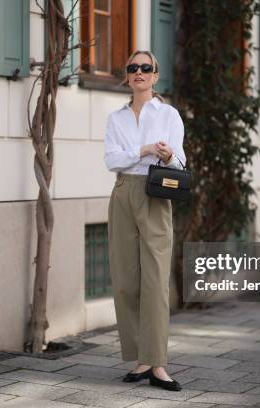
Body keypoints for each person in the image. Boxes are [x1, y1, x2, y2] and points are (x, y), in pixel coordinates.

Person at [104, 50, 186, 392]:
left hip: (155, 192)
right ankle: (140, 359)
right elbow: (112, 160)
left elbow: (180, 161)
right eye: (133, 68)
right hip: (123, 192)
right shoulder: (116, 118)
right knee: (125, 280)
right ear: (127, 76)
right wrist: (143, 149)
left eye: (146, 68)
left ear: (155, 76)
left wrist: (166, 154)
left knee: (155, 280)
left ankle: (159, 364)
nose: (138, 72)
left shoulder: (168, 114)